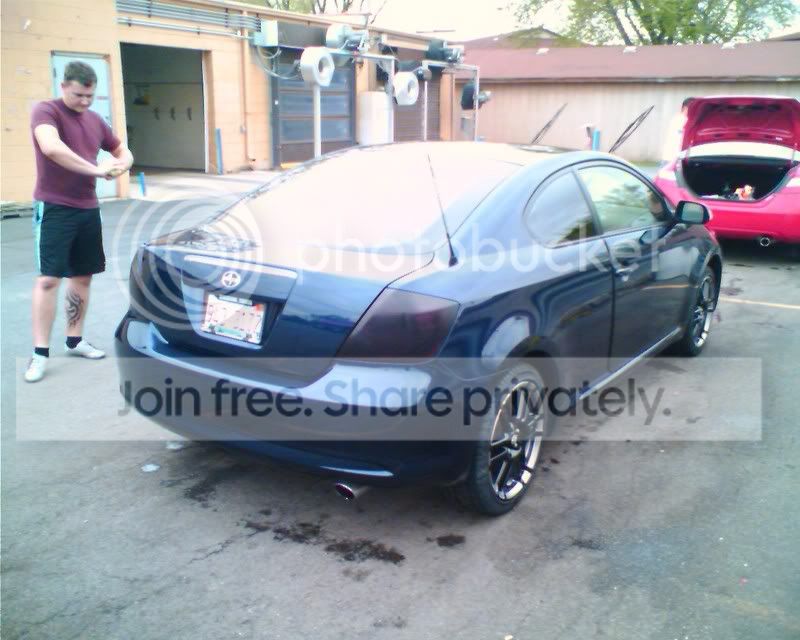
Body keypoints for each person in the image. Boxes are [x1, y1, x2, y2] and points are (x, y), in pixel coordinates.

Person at [25, 61, 134, 383]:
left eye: (90, 96)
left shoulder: (95, 119)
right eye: (78, 95)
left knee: (82, 277)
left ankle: (74, 340)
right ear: (63, 87)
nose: (85, 101)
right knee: (49, 280)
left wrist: (124, 162)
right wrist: (98, 170)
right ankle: (39, 353)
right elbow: (51, 148)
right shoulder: (46, 111)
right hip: (55, 208)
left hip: (87, 208)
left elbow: (121, 149)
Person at [660, 97, 694, 165]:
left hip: (673, 158)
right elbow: (681, 140)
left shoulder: (679, 119)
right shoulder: (680, 120)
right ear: (685, 108)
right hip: (672, 159)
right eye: (693, 108)